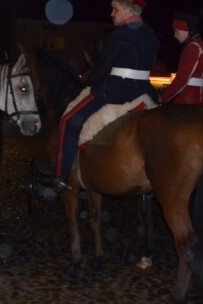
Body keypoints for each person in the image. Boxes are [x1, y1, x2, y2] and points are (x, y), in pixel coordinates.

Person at [50, 0, 160, 191]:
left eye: (115, 9)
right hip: (144, 91)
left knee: (69, 120)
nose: (111, 14)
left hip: (117, 89)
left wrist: (92, 85)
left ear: (127, 10)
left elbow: (103, 65)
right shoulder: (151, 34)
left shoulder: (122, 33)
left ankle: (61, 175)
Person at [160, 12, 203, 105]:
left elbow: (182, 79)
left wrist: (164, 97)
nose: (174, 35)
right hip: (197, 96)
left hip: (189, 98)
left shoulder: (193, 47)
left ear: (186, 30)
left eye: (176, 31)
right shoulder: (200, 45)